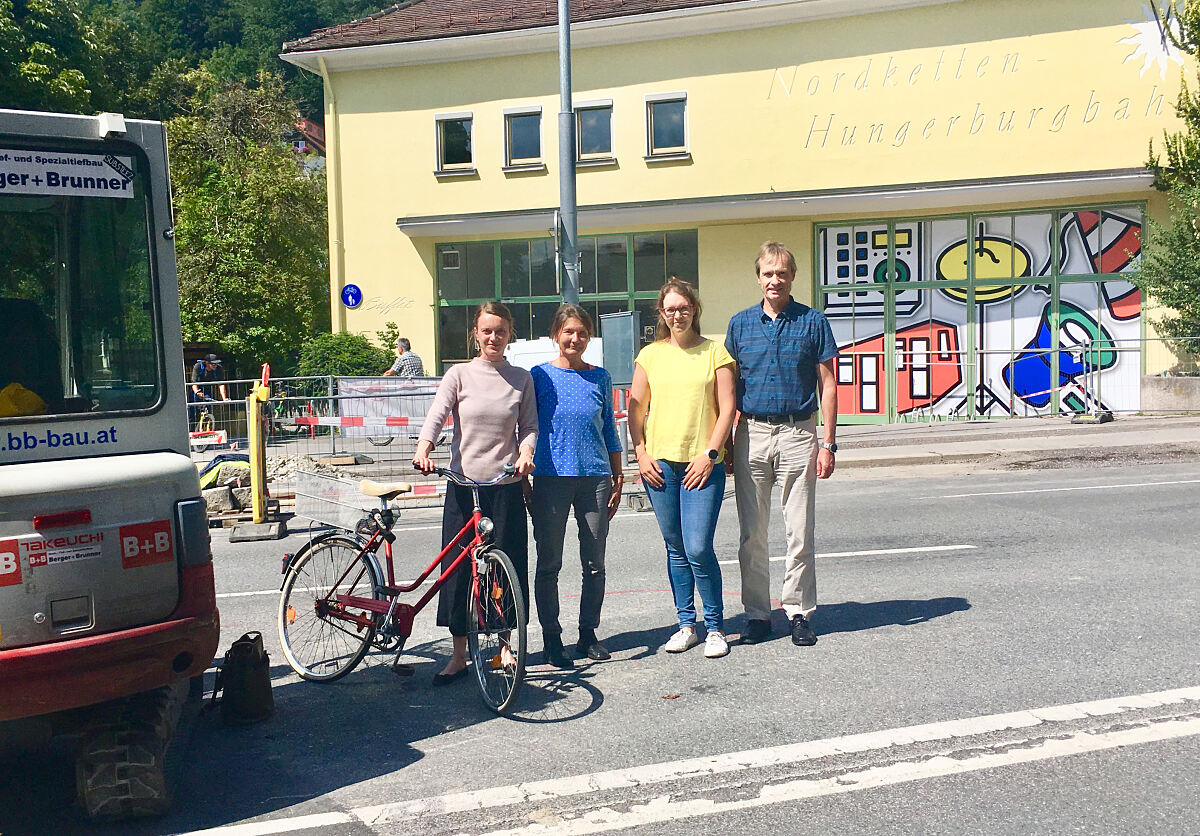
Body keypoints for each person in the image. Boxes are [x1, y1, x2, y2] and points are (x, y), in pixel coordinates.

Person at [413, 303, 536, 684]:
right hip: (464, 487)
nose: (493, 338)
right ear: (476, 333)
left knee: (506, 569)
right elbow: (438, 413)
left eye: (500, 331)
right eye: (487, 331)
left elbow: (529, 426)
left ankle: (503, 647)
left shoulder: (521, 378)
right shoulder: (460, 374)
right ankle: (459, 655)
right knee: (458, 572)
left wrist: (527, 453)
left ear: (509, 332)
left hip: (505, 487)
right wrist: (424, 446)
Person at [725, 241, 839, 648]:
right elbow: (729, 389)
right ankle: (757, 614)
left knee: (799, 531)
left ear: (792, 277)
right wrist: (722, 446)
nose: (775, 280)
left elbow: (828, 383)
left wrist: (828, 442)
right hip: (751, 434)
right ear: (758, 278)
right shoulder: (739, 326)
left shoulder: (813, 322)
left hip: (798, 433)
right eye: (767, 273)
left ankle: (798, 612)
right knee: (752, 534)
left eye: (782, 273)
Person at [628, 278, 737, 659]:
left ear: (694, 309)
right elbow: (636, 409)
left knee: (697, 547)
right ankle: (686, 625)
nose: (677, 314)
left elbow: (727, 408)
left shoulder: (715, 352)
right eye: (669, 309)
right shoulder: (650, 355)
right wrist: (640, 455)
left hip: (702, 465)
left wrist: (710, 454)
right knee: (675, 548)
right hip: (660, 466)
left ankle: (716, 628)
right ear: (661, 313)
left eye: (683, 307)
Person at [529, 304, 624, 668]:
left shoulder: (600, 377)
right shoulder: (539, 376)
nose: (575, 339)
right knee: (549, 563)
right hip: (551, 479)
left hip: (595, 480)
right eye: (569, 332)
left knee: (594, 564)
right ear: (556, 334)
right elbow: (527, 427)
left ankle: (588, 633)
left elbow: (610, 431)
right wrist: (525, 478)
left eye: (582, 333)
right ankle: (552, 638)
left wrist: (618, 476)